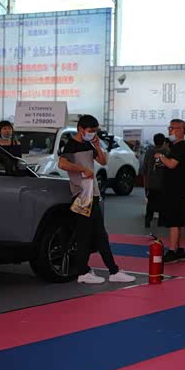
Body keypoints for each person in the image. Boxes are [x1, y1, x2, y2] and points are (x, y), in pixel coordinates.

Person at [58, 115, 135, 284]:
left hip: (92, 193)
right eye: (90, 130)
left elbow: (103, 161)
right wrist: (82, 169)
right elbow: (62, 164)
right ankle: (90, 271)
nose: (93, 133)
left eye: (95, 131)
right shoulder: (71, 145)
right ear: (80, 129)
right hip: (81, 194)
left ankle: (109, 270)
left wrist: (98, 145)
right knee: (89, 234)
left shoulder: (88, 144)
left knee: (96, 234)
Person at [156, 120, 185, 264]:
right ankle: (178, 249)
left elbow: (172, 164)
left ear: (181, 130)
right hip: (176, 188)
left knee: (174, 221)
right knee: (177, 220)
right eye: (169, 128)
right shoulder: (177, 146)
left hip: (176, 189)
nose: (170, 130)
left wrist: (160, 156)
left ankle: (173, 250)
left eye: (173, 128)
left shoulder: (181, 146)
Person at [143, 133, 169, 228]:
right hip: (164, 182)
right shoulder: (167, 152)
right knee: (163, 202)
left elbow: (145, 169)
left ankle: (148, 219)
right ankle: (161, 222)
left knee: (150, 202)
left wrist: (145, 183)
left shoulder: (149, 152)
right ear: (163, 141)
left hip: (151, 182)